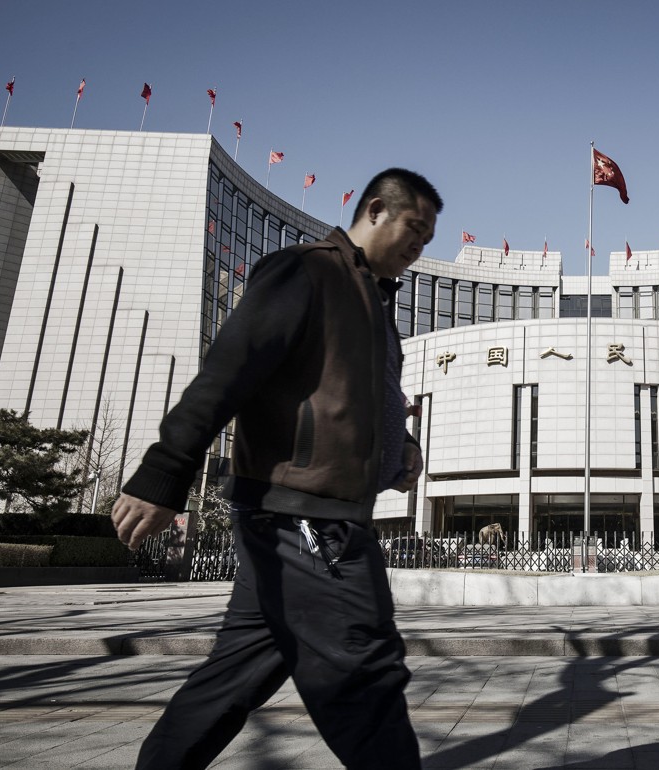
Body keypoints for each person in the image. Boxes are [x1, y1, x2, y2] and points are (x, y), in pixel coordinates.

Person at [111, 167, 442, 769]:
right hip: (304, 515)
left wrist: (402, 447)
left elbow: (367, 396)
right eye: (413, 228)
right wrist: (165, 474)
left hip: (310, 515)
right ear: (374, 210)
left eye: (428, 236)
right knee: (364, 673)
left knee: (232, 677)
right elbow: (227, 372)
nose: (421, 244)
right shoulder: (307, 271)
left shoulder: (372, 300)